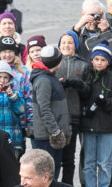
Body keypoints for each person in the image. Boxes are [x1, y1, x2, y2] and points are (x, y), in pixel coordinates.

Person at [78, 42, 112, 187]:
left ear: (108, 62)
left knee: (104, 161)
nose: (99, 63)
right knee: (89, 161)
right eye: (96, 59)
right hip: (88, 124)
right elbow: (82, 96)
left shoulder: (111, 78)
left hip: (106, 125)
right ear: (92, 60)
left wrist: (106, 103)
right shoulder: (86, 75)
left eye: (102, 60)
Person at [0, 36, 34, 138]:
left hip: (15, 125)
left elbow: (29, 99)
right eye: (4, 51)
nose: (8, 55)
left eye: (11, 51)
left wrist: (30, 122)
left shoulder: (23, 72)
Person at [55, 30, 90, 185]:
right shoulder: (54, 64)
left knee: (69, 156)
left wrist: (79, 85)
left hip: (73, 115)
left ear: (75, 45)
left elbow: (88, 91)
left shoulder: (82, 65)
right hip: (56, 116)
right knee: (55, 155)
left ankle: (68, 185)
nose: (66, 45)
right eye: (63, 43)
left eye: (70, 42)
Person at [31, 46, 71, 176]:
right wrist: (55, 131)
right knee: (47, 174)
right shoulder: (44, 80)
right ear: (57, 62)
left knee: (53, 171)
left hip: (52, 134)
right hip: (47, 136)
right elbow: (44, 109)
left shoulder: (49, 78)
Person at [0, 61, 28, 157]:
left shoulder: (16, 93)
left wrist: (12, 96)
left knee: (11, 169)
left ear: (10, 79)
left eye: (5, 77)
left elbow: (21, 110)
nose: (2, 80)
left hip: (12, 139)